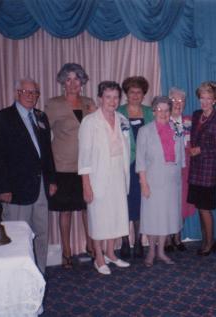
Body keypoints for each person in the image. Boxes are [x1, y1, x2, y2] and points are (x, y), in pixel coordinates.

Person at [0, 78, 57, 274]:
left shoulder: (41, 117)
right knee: (18, 235)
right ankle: (18, 276)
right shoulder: (2, 118)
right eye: (26, 92)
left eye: (34, 92)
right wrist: (2, 188)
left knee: (42, 234)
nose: (30, 96)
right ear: (17, 94)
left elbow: (47, 153)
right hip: (16, 190)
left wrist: (51, 179)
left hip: (41, 187)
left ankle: (39, 274)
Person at [44, 63, 96, 268]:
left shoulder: (89, 102)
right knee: (65, 211)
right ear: (63, 82)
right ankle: (66, 252)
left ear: (82, 81)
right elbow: (42, 134)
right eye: (68, 79)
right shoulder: (53, 104)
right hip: (63, 166)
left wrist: (96, 112)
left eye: (77, 79)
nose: (73, 83)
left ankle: (91, 247)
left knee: (87, 209)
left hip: (87, 166)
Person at [78, 81, 131, 275]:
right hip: (98, 174)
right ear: (100, 98)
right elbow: (84, 156)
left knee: (116, 215)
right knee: (99, 217)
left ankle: (111, 253)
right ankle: (99, 257)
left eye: (116, 97)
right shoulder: (90, 122)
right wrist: (86, 185)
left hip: (118, 171)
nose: (112, 101)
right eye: (108, 97)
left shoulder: (121, 119)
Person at [136, 96, 185, 267]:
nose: (163, 113)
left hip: (172, 180)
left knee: (166, 217)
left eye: (166, 110)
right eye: (159, 110)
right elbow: (140, 160)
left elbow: (181, 156)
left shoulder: (177, 129)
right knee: (152, 217)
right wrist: (143, 183)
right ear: (153, 111)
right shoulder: (145, 131)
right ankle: (151, 252)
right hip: (152, 180)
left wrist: (180, 176)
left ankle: (162, 252)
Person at [187, 82, 216, 256]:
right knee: (199, 206)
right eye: (202, 98)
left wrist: (200, 150)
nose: (204, 101)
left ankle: (210, 243)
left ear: (215, 100)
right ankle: (205, 239)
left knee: (205, 208)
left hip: (208, 171)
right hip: (195, 169)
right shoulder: (197, 115)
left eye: (208, 98)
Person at [117, 76, 154, 258]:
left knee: (140, 204)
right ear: (126, 94)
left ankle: (138, 240)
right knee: (123, 204)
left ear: (143, 94)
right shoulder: (118, 112)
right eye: (132, 92)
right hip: (124, 165)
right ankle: (125, 242)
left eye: (139, 92)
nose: (135, 95)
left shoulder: (150, 112)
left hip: (144, 167)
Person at [165, 87, 196, 252]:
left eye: (181, 101)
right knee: (168, 203)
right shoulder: (163, 120)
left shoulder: (189, 121)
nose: (178, 104)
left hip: (186, 169)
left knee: (181, 203)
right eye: (175, 100)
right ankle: (168, 238)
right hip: (168, 169)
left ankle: (178, 236)